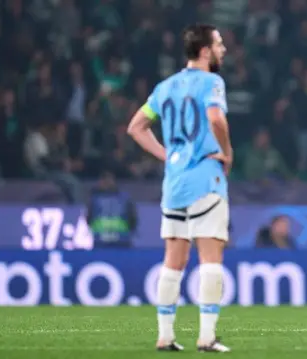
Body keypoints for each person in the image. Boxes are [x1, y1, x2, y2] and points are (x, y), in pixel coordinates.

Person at [127, 24, 232, 352]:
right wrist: (227, 152)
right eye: (219, 44)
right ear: (204, 51)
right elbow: (215, 119)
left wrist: (168, 155)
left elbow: (136, 127)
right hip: (205, 179)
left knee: (173, 260)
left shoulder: (164, 87)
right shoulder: (212, 82)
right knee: (211, 257)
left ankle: (165, 335)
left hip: (173, 184)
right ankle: (206, 336)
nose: (223, 49)